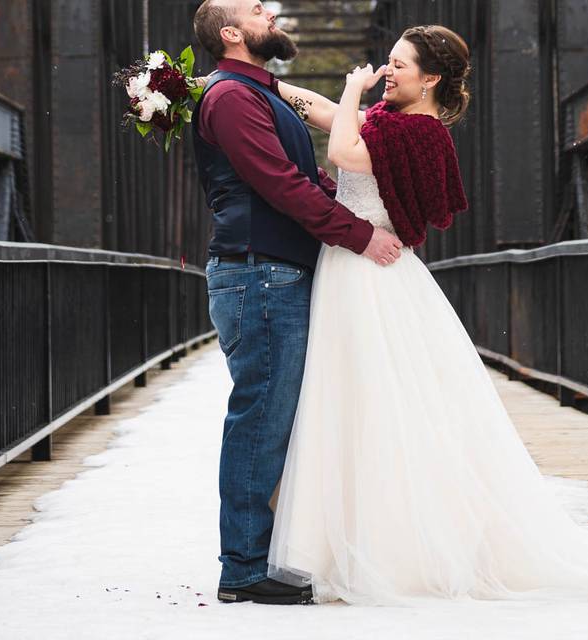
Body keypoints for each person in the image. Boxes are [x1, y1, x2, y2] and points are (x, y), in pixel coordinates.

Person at [265, 24, 588, 609]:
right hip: (349, 270)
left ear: (430, 77)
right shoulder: (386, 120)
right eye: (386, 62)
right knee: (349, 402)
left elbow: (341, 150)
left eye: (398, 64)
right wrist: (269, 88)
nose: (386, 71)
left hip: (371, 276)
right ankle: (339, 542)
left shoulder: (424, 133)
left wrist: (353, 86)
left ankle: (392, 549)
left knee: (378, 404)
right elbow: (335, 119)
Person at [190, 0, 405, 605]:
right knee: (260, 420)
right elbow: (278, 184)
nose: (267, 10)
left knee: (273, 419)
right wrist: (360, 235)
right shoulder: (231, 97)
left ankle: (257, 557)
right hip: (258, 275)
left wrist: (367, 205)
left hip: (274, 273)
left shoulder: (259, 92)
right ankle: (244, 569)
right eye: (255, 9)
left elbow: (305, 177)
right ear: (232, 34)